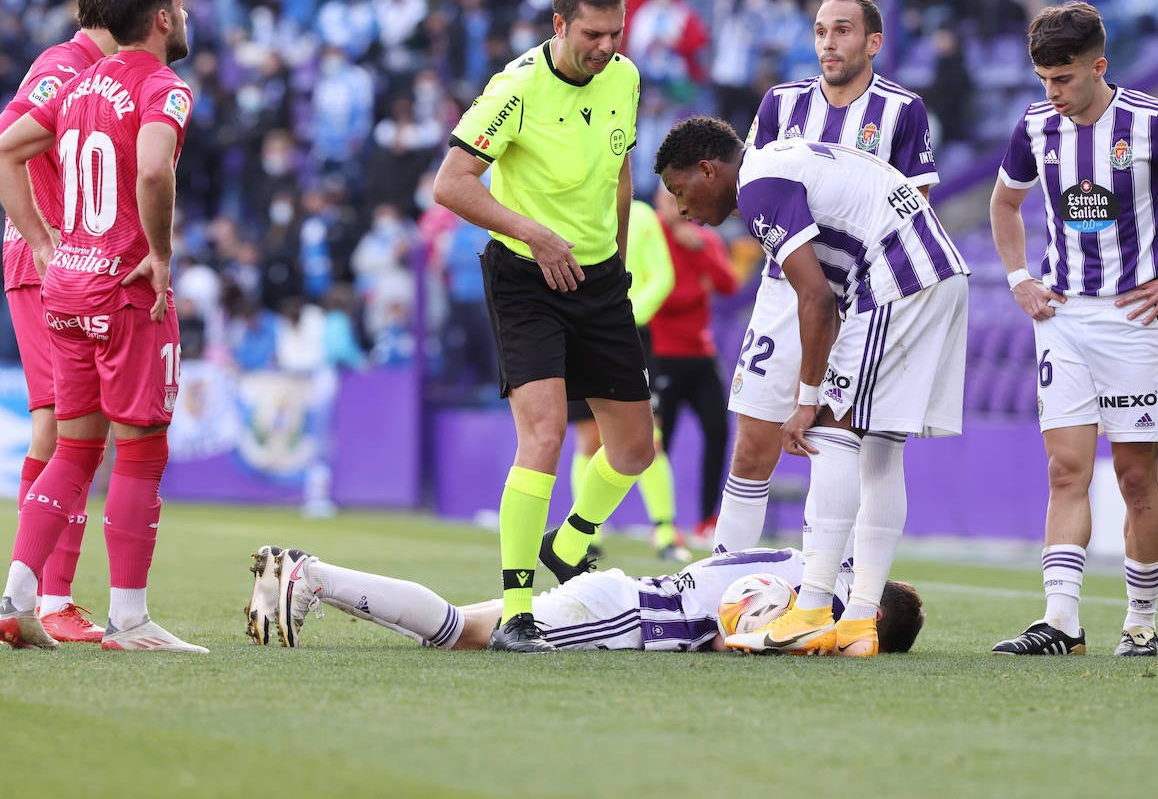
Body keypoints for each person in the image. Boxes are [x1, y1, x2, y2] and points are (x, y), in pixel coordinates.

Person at [989, 1, 1158, 658]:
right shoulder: (1035, 126)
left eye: (1065, 79)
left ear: (1098, 65)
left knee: (1134, 477)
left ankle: (1140, 619)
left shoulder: (1153, 122)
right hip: (1062, 316)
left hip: (1134, 318)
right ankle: (1062, 622)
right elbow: (1004, 201)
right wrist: (1020, 276)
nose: (1053, 93)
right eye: (1043, 80)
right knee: (1065, 468)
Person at [654, 116, 968, 658]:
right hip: (934, 273)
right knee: (883, 450)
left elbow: (816, 299)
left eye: (681, 191)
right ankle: (860, 622)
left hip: (896, 281)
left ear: (709, 170)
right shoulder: (780, 165)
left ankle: (815, 607)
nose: (682, 209)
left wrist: (805, 401)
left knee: (831, 433)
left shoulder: (758, 186)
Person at [0, 0, 207, 653]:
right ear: (162, 17)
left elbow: (2, 150)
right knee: (141, 450)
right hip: (122, 283)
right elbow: (150, 167)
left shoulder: (78, 84)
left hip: (68, 287)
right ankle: (130, 619)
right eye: (182, 5)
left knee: (73, 447)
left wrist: (52, 246)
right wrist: (162, 254)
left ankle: (20, 597)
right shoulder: (163, 87)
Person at [431, 0, 655, 653]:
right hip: (526, 276)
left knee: (635, 448)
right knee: (546, 433)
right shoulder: (516, 86)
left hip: (598, 278)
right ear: (558, 25)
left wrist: (615, 255)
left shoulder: (625, 77)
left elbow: (620, 172)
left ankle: (570, 541)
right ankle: (517, 611)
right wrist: (532, 231)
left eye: (614, 34)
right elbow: (451, 183)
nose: (605, 47)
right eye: (592, 33)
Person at [710, 0, 938, 559]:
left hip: (861, 304)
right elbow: (755, 187)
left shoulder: (902, 111)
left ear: (873, 42)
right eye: (819, 32)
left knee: (836, 446)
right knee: (752, 448)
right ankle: (722, 580)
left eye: (841, 31)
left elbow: (918, 203)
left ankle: (826, 586)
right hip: (784, 293)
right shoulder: (781, 103)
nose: (828, 43)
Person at [0, 0, 124, 644]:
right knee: (68, 426)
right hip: (50, 263)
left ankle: (35, 593)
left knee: (66, 425)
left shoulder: (98, 73)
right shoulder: (64, 67)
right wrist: (40, 241)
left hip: (71, 264)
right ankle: (44, 595)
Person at [244, 544, 925, 655]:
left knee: (455, 628)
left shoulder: (816, 558)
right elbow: (736, 630)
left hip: (624, 597)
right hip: (629, 617)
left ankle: (311, 575)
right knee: (457, 633)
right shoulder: (821, 597)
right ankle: (311, 576)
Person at [567, 197, 684, 561]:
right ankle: (586, 532)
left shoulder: (643, 215)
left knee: (650, 436)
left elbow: (662, 275)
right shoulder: (570, 206)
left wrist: (627, 316)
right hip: (580, 332)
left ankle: (664, 531)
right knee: (589, 440)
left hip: (629, 336)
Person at [649, 183, 738, 539]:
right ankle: (664, 523)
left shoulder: (704, 237)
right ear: (658, 201)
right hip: (661, 354)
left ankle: (707, 519)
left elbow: (728, 284)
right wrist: (695, 290)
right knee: (659, 441)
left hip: (701, 354)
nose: (677, 206)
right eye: (670, 198)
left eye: (680, 198)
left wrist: (700, 250)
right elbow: (662, 295)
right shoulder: (649, 234)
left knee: (718, 431)